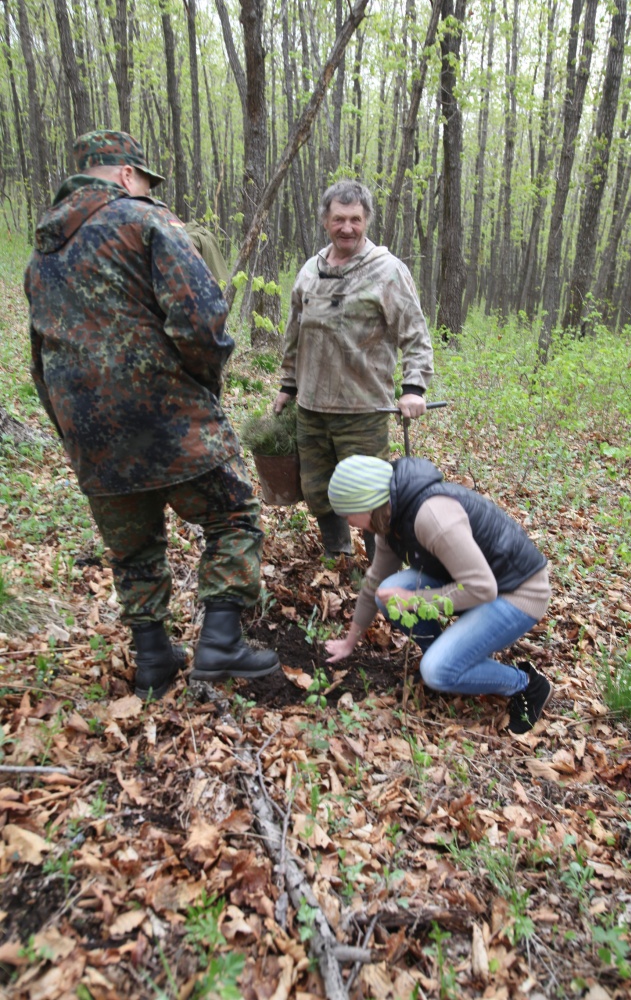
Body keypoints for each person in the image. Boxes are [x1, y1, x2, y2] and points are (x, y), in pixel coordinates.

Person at [25, 130, 279, 699]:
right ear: (122, 175)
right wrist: (204, 385)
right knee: (232, 514)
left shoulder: (43, 252)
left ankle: (153, 660)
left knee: (133, 545)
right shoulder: (144, 221)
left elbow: (40, 360)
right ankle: (219, 642)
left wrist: (70, 430)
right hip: (165, 414)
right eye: (143, 178)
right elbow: (203, 321)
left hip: (88, 431)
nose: (144, 187)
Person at [324, 455, 554, 735]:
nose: (348, 522)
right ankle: (446, 657)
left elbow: (482, 587)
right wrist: (350, 641)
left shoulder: (431, 517)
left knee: (437, 671)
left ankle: (526, 684)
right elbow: (374, 582)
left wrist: (413, 601)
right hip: (471, 583)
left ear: (367, 502)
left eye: (348, 513)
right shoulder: (389, 521)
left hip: (517, 592)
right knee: (384, 594)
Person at [274, 180, 434, 560]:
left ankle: (382, 570)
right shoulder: (310, 272)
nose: (347, 227)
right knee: (317, 489)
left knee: (370, 495)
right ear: (325, 221)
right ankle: (338, 554)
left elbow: (415, 332)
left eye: (355, 219)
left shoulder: (387, 270)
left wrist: (414, 387)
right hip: (312, 408)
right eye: (339, 219)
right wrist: (288, 385)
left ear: (367, 222)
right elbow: (295, 333)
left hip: (363, 409)